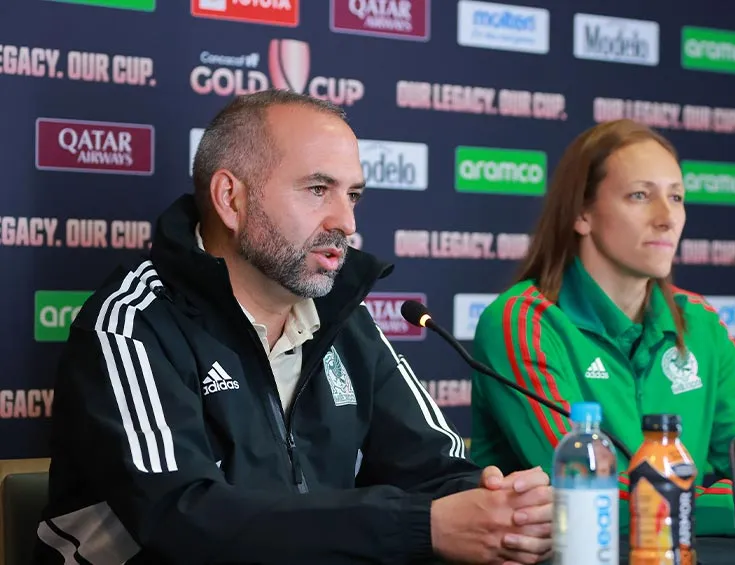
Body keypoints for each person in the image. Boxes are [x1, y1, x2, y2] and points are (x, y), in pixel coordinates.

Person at [34, 89, 553, 565]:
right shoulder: (130, 322)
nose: (346, 224)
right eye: (318, 189)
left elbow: (435, 466)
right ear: (230, 199)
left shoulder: (346, 319)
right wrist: (419, 526)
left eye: (352, 195)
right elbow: (184, 521)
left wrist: (501, 508)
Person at [469, 119, 735, 538]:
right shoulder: (523, 324)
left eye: (677, 197)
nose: (667, 218)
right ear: (582, 214)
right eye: (640, 195)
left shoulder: (699, 323)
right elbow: (590, 498)